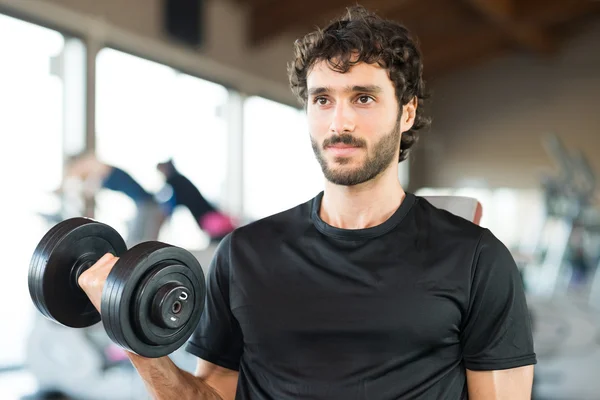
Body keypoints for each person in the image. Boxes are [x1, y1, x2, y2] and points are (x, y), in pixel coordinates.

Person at [77, 6, 536, 399]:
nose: (340, 121)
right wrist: (130, 330)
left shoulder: (476, 259)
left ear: (407, 111)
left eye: (363, 98)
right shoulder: (243, 255)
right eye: (323, 99)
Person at [58, 151, 165, 245]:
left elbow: (89, 188)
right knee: (136, 238)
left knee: (139, 240)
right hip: (144, 203)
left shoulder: (94, 166)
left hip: (147, 204)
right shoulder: (95, 171)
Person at [156, 159, 237, 242]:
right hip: (207, 215)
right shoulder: (179, 179)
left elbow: (170, 204)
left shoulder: (175, 181)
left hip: (207, 217)